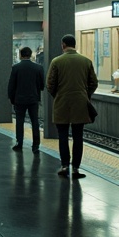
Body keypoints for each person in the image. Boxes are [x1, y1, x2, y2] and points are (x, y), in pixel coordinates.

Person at [46, 34, 99, 178]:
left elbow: (50, 84)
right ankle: (76, 168)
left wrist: (58, 95)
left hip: (61, 103)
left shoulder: (56, 61)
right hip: (80, 104)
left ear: (63, 45)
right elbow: (94, 83)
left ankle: (64, 166)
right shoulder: (86, 61)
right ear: (75, 45)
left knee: (62, 136)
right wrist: (85, 95)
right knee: (78, 136)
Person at [7, 45, 45, 153]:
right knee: (35, 122)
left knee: (19, 121)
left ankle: (19, 143)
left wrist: (12, 99)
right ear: (31, 55)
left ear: (20, 55)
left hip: (19, 99)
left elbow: (11, 85)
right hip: (33, 99)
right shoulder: (38, 68)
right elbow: (42, 85)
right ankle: (36, 145)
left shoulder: (15, 67)